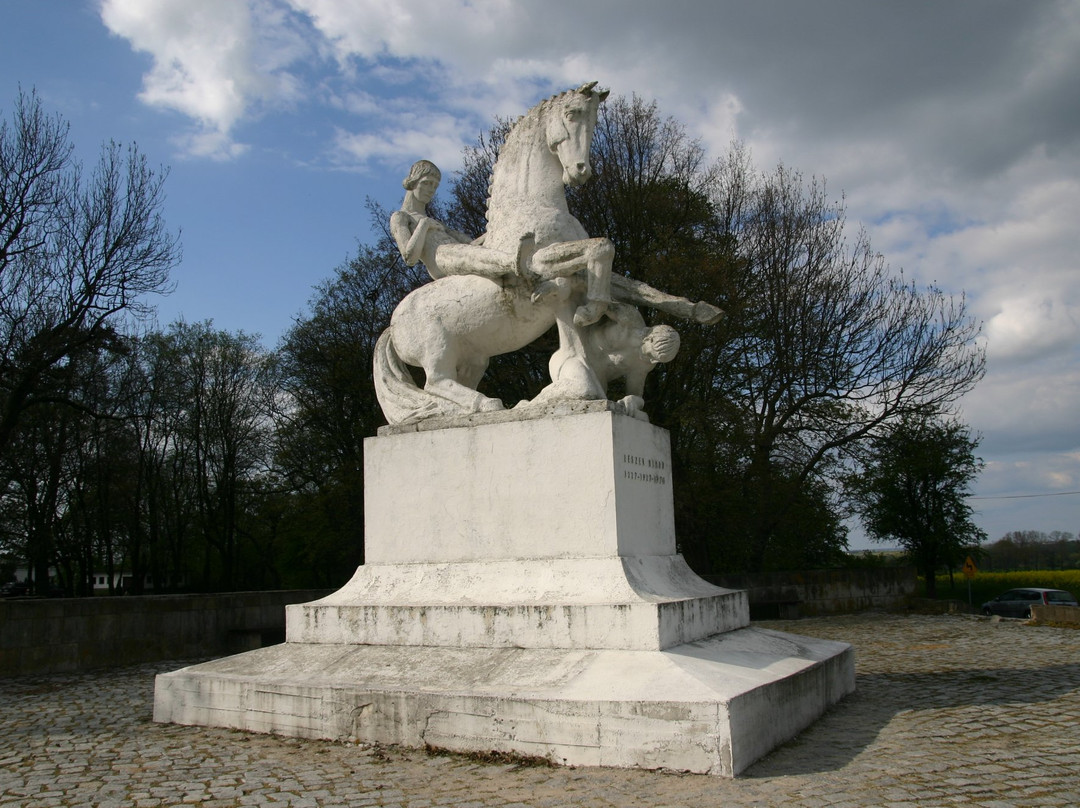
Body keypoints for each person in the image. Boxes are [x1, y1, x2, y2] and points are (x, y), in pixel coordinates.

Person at [389, 160, 515, 282]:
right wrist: (424, 224)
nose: (431, 190)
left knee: (477, 251)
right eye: (427, 183)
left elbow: (471, 245)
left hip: (456, 252)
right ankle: (513, 262)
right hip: (441, 258)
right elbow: (409, 257)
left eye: (435, 186)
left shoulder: (436, 222)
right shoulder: (401, 217)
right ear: (413, 181)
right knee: (467, 254)